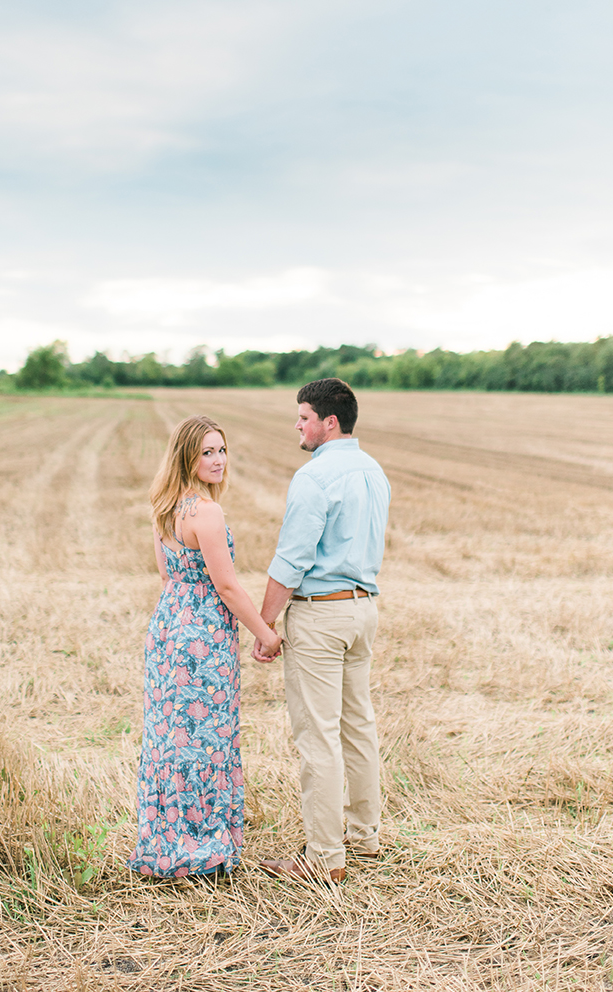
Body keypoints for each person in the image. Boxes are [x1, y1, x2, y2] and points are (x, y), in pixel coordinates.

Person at [127, 415, 281, 880]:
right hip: (203, 637)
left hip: (169, 626)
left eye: (222, 450)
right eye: (207, 452)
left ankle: (167, 842)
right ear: (187, 458)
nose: (218, 460)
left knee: (171, 735)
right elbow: (228, 587)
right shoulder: (207, 513)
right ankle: (203, 846)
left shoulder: (164, 507)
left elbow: (166, 577)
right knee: (206, 739)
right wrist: (266, 632)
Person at [253, 378, 390, 885]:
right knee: (358, 726)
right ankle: (364, 836)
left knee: (318, 736)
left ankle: (325, 855)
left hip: (322, 614)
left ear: (329, 422)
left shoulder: (314, 477)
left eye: (304, 417)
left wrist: (264, 624)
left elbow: (292, 559)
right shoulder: (375, 472)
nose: (298, 425)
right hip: (364, 610)